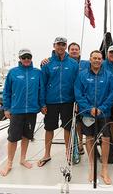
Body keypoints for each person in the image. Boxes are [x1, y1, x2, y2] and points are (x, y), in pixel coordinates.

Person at [0, 48, 46, 176]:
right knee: (13, 138)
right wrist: (7, 108)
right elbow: (6, 92)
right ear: (19, 59)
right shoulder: (13, 72)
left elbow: (41, 90)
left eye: (28, 57)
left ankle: (22, 159)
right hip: (17, 110)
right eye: (24, 57)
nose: (26, 59)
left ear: (31, 58)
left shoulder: (37, 73)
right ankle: (9, 162)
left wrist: (42, 105)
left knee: (26, 136)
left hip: (32, 110)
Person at [74, 50, 113, 184]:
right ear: (90, 59)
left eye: (99, 58)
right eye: (94, 58)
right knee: (90, 138)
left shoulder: (109, 75)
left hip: (103, 113)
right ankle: (92, 166)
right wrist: (89, 108)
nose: (97, 60)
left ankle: (104, 168)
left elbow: (112, 93)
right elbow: (78, 93)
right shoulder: (82, 75)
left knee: (105, 138)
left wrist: (102, 108)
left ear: (102, 60)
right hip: (88, 113)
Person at [38, 37, 79, 167]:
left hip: (68, 101)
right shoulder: (47, 63)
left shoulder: (73, 64)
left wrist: (77, 101)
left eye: (63, 44)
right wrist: (42, 103)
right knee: (49, 128)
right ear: (54, 46)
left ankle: (68, 152)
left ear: (66, 46)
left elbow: (77, 84)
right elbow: (42, 85)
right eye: (58, 44)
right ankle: (47, 154)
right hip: (51, 102)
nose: (60, 47)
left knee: (68, 127)